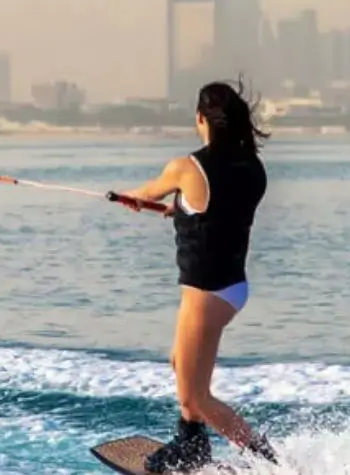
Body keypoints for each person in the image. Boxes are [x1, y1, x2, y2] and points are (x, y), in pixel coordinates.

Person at [111, 80, 278, 473]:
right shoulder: (253, 167)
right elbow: (216, 211)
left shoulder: (187, 167)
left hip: (205, 293)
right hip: (232, 288)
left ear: (201, 118)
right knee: (180, 364)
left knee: (198, 397)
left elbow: (150, 190)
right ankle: (192, 443)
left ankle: (268, 463)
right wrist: (179, 209)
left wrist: (124, 196)